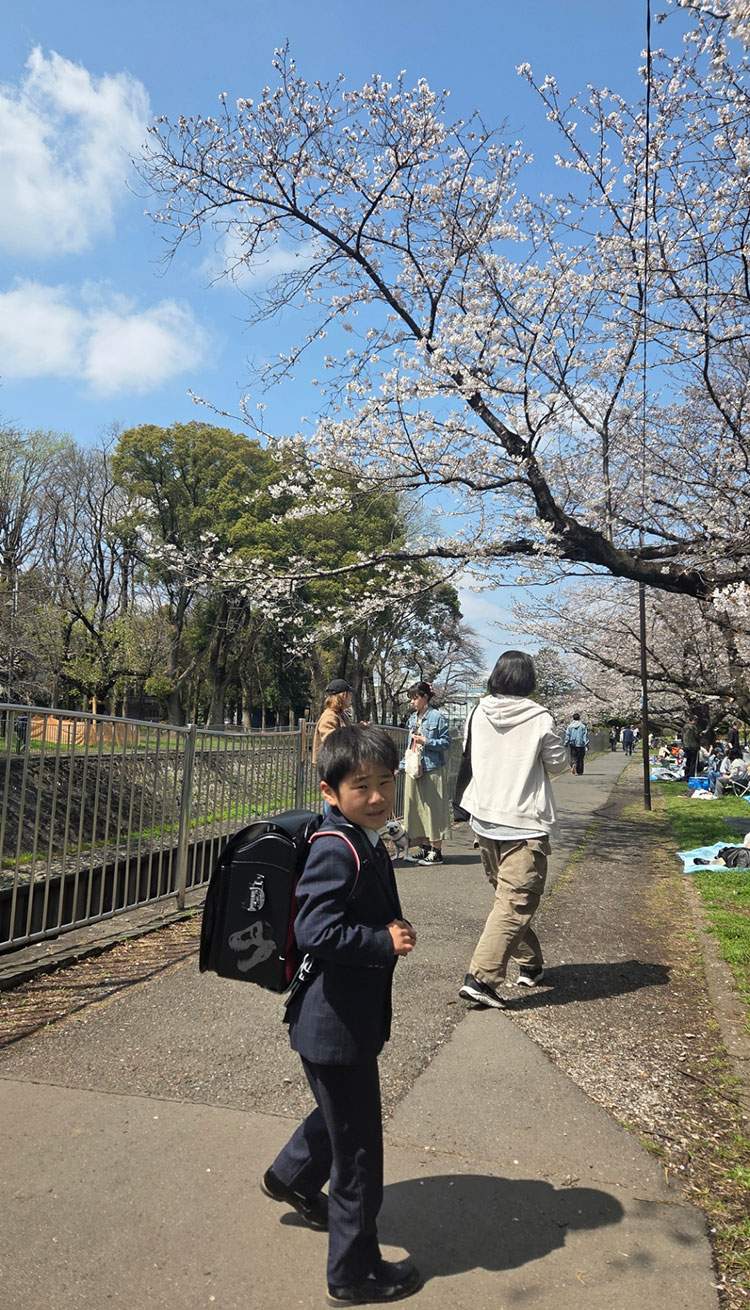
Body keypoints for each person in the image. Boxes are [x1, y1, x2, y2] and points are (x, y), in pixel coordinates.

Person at [263, 724, 421, 1307]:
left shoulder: (362, 835)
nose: (378, 796)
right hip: (335, 1024)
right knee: (358, 1152)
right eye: (362, 786)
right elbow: (315, 928)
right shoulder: (338, 845)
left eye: (386, 782)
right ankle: (353, 1272)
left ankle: (291, 1176)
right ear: (331, 793)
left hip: (331, 1020)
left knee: (339, 1114)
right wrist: (382, 942)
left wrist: (387, 931)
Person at [457, 650, 568, 1009]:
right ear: (528, 681)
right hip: (523, 822)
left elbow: (468, 753)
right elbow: (558, 763)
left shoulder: (476, 712)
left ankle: (530, 964)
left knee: (510, 900)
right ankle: (481, 979)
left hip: (484, 819)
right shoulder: (540, 718)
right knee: (515, 902)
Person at [399, 681, 451, 865]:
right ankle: (424, 847)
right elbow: (409, 747)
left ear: (425, 697)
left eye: (415, 698)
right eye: (411, 698)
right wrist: (401, 766)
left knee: (433, 810)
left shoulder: (437, 717)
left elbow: (446, 743)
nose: (413, 702)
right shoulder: (413, 718)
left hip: (432, 768)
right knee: (416, 809)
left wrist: (427, 741)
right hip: (414, 767)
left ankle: (436, 850)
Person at [312, 680, 354, 763]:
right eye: (349, 694)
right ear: (343, 695)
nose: (351, 697)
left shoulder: (340, 714)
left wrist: (360, 729)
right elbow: (331, 741)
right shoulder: (330, 716)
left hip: (340, 762)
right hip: (332, 765)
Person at [682, 714, 700, 781]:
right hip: (693, 747)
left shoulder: (685, 727)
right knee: (693, 763)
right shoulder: (693, 727)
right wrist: (701, 734)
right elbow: (697, 736)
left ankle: (686, 776)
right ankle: (691, 777)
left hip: (686, 747)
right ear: (693, 720)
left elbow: (682, 737)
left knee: (688, 762)